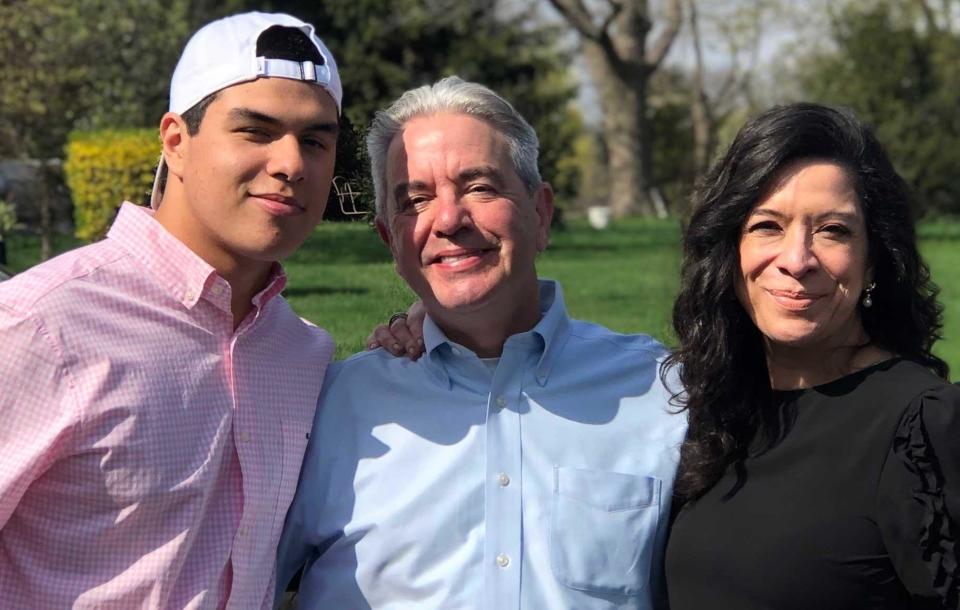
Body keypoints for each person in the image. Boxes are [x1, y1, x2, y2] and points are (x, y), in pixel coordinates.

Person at [276, 76, 687, 609]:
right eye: (416, 199)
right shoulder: (329, 410)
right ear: (390, 241)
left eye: (479, 187)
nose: (447, 219)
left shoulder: (663, 395)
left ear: (540, 214)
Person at [0, 12, 341, 608]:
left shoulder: (303, 354)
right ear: (177, 143)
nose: (291, 164)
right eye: (256, 131)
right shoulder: (42, 325)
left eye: (314, 140)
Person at [663, 103, 959, 609]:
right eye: (767, 226)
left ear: (874, 262)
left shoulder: (926, 424)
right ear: (729, 252)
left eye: (833, 230)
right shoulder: (706, 406)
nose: (797, 260)